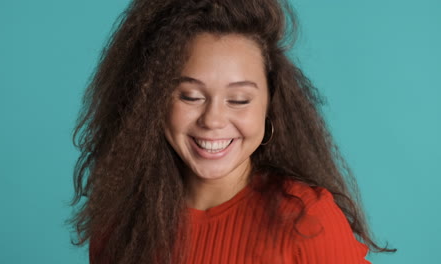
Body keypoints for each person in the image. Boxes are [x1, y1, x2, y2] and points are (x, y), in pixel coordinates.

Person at [67, 0, 396, 263]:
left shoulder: (307, 219)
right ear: (152, 101)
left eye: (239, 100)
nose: (213, 119)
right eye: (191, 96)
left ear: (270, 106)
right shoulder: (119, 222)